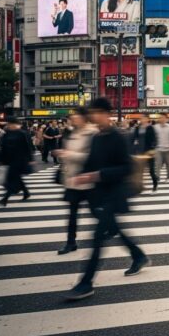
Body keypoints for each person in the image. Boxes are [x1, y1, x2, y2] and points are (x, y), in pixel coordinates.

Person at [65, 98, 149, 300]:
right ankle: (138, 255)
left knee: (96, 239)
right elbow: (91, 162)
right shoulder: (96, 137)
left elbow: (126, 167)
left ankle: (86, 283)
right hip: (98, 195)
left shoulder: (119, 137)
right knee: (114, 229)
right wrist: (82, 175)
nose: (93, 116)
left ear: (106, 114)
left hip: (114, 194)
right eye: (92, 113)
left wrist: (98, 175)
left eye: (96, 112)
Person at [54, 108, 98, 254]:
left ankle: (114, 231)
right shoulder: (73, 131)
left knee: (97, 212)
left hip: (88, 180)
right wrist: (63, 155)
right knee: (72, 213)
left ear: (84, 117)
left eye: (76, 115)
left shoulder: (92, 133)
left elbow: (92, 157)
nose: (73, 118)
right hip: (73, 180)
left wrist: (69, 154)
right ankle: (70, 242)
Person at [0, 117, 34, 206]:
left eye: (10, 124)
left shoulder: (22, 133)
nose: (9, 125)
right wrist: (1, 160)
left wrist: (30, 159)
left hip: (20, 160)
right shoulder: (6, 134)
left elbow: (28, 147)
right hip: (10, 161)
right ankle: (26, 193)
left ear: (15, 124)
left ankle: (5, 198)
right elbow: (3, 147)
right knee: (16, 178)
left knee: (11, 180)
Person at [132, 113, 159, 192]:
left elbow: (154, 139)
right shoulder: (137, 128)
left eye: (143, 118)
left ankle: (155, 184)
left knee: (151, 171)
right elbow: (134, 139)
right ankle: (140, 187)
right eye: (141, 118)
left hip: (149, 152)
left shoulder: (151, 128)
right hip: (140, 152)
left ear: (147, 119)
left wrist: (153, 148)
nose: (142, 120)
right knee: (140, 171)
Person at [153, 113, 169, 182]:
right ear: (159, 119)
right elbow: (152, 138)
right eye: (161, 118)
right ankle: (157, 177)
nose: (162, 119)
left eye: (164, 118)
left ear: (167, 119)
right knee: (158, 164)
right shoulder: (155, 127)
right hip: (158, 149)